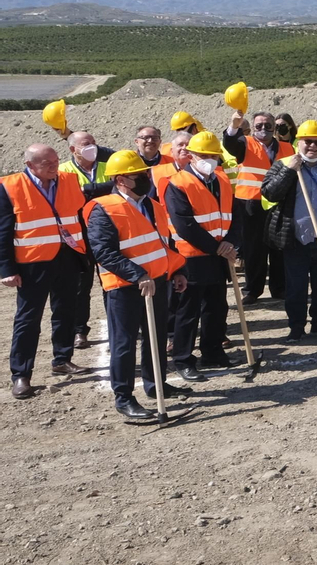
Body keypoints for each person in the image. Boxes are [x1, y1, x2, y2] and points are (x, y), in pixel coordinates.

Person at [84, 150, 189, 420]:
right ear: (121, 180)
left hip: (157, 282)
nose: (145, 177)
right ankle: (124, 397)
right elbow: (104, 252)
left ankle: (156, 385)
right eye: (138, 175)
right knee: (124, 342)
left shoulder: (152, 204)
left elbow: (164, 243)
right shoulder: (103, 208)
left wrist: (176, 269)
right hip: (125, 286)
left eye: (145, 173)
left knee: (155, 337)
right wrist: (138, 275)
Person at [2, 144, 90, 397]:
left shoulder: (68, 181)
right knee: (28, 319)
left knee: (65, 311)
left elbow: (79, 216)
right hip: (32, 263)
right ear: (30, 165)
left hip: (67, 257)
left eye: (55, 160)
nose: (54, 166)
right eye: (47, 163)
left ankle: (62, 359)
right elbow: (3, 231)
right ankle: (21, 374)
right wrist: (6, 268)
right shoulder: (10, 186)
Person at [160, 132, 242, 380]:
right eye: (203, 156)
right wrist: (217, 247)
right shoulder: (177, 184)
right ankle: (183, 359)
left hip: (218, 256)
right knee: (188, 311)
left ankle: (213, 351)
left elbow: (235, 216)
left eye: (212, 156)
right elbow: (184, 225)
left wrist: (231, 242)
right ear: (191, 157)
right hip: (191, 257)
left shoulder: (222, 180)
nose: (209, 160)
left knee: (217, 307)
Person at [260, 121, 317, 343]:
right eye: (308, 141)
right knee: (296, 286)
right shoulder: (282, 164)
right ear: (297, 142)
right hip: (296, 239)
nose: (313, 146)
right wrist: (290, 171)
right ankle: (296, 326)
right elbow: (269, 193)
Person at [223, 109, 286, 304]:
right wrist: (234, 126)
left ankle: (280, 288)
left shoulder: (286, 147)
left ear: (274, 127)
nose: (263, 129)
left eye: (268, 125)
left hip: (278, 203)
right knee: (253, 250)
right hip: (250, 204)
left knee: (278, 248)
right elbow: (230, 144)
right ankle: (252, 290)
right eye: (259, 125)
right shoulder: (245, 143)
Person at [59, 131, 114, 349]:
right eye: (86, 144)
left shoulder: (106, 166)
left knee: (111, 283)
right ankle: (79, 330)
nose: (92, 146)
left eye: (93, 142)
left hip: (107, 233)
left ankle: (116, 324)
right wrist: (96, 191)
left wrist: (86, 190)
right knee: (81, 287)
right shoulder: (64, 170)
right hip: (78, 237)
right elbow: (69, 196)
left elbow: (116, 188)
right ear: (73, 149)